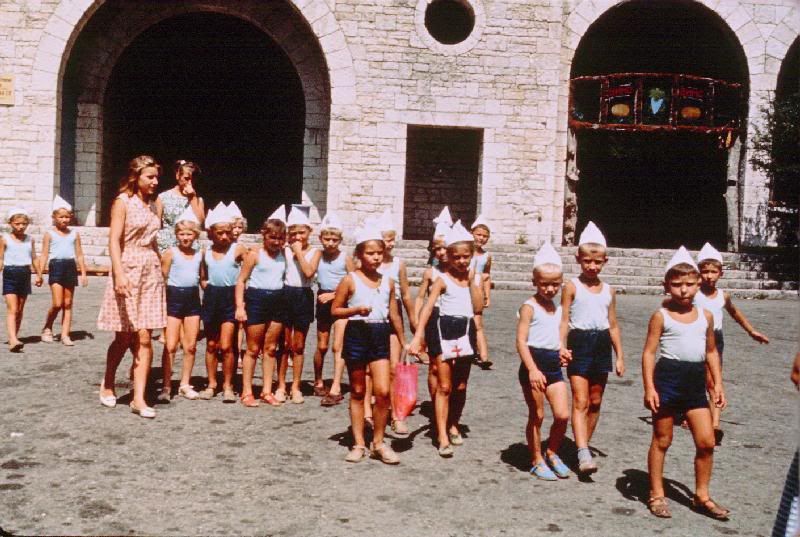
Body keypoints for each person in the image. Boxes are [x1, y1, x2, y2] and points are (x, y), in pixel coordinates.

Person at [642, 247, 728, 520]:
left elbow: (711, 352)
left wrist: (717, 384)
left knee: (706, 441)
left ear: (698, 284)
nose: (683, 290)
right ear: (667, 285)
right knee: (662, 439)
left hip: (694, 382)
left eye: (689, 284)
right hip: (668, 379)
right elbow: (649, 353)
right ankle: (656, 493)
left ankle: (701, 495)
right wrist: (649, 387)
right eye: (677, 284)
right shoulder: (661, 316)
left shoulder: (706, 316)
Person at [97, 155, 166, 418]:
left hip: (150, 272)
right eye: (150, 177)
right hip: (127, 268)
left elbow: (153, 239)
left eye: (157, 177)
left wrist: (161, 268)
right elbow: (114, 241)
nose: (155, 182)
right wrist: (119, 274)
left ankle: (138, 398)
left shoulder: (155, 205)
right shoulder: (122, 202)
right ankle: (108, 381)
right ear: (136, 177)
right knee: (124, 337)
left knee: (145, 337)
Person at [331, 221, 405, 464]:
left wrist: (404, 342)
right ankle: (359, 443)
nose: (375, 257)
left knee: (382, 391)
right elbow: (335, 310)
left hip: (379, 334)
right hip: (357, 333)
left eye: (379, 253)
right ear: (360, 254)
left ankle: (379, 442)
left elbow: (394, 315)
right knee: (358, 390)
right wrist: (355, 310)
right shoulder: (350, 279)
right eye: (370, 253)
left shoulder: (388, 281)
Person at [409, 220, 483, 458]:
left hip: (466, 329)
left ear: (472, 256)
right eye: (456, 257)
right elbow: (428, 308)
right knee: (444, 385)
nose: (461, 262)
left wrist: (472, 282)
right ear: (448, 257)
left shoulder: (473, 279)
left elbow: (478, 307)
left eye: (466, 257)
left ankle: (453, 423)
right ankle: (441, 434)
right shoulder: (442, 280)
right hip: (444, 330)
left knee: (460, 385)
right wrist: (418, 336)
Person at [559, 221, 624, 475]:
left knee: (595, 401)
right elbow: (564, 319)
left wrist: (619, 356)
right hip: (579, 343)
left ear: (605, 261)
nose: (592, 266)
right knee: (581, 400)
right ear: (579, 260)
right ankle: (584, 453)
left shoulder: (609, 290)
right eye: (587, 261)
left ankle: (581, 444)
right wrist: (561, 346)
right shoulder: (571, 286)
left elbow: (613, 324)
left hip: (601, 344)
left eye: (597, 262)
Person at [693, 242, 769, 444]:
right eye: (705, 272)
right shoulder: (693, 293)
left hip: (715, 340)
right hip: (694, 338)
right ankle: (692, 414)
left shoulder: (722, 296)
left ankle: (714, 424)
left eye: (713, 272)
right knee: (695, 378)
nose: (709, 276)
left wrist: (751, 331)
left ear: (721, 274)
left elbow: (735, 313)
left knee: (714, 380)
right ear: (699, 273)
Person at [516, 243, 571, 480]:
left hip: (553, 367)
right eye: (544, 284)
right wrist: (532, 370)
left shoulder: (556, 308)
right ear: (535, 282)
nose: (550, 289)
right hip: (534, 365)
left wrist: (562, 349)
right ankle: (536, 459)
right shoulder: (529, 307)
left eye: (555, 284)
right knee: (537, 415)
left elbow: (556, 335)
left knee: (562, 415)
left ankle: (552, 451)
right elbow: (521, 341)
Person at [235, 208, 287, 407]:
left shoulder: (284, 255)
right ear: (264, 235)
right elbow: (241, 281)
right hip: (257, 299)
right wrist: (240, 306)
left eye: (280, 238)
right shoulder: (254, 254)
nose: (276, 242)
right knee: (253, 349)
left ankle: (266, 390)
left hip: (278, 301)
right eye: (272, 237)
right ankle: (247, 391)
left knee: (271, 348)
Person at [375, 209, 417, 435]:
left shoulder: (398, 264)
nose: (389, 244)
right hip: (373, 316)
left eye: (392, 239)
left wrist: (413, 320)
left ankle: (396, 414)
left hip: (394, 316)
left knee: (394, 367)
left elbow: (407, 294)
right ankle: (372, 411)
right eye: (386, 239)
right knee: (372, 368)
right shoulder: (368, 262)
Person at [199, 203, 247, 403]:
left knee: (227, 345)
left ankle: (228, 385)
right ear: (212, 233)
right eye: (220, 233)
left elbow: (251, 266)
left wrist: (241, 295)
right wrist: (207, 287)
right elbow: (203, 276)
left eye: (228, 232)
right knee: (211, 344)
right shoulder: (206, 252)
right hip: (212, 297)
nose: (225, 237)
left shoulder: (237, 249)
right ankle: (211, 384)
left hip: (230, 297)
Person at [157, 206, 203, 402]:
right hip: (174, 299)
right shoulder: (171, 253)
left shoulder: (199, 254)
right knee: (170, 345)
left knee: (190, 346)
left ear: (195, 235)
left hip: (192, 300)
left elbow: (202, 278)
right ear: (176, 235)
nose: (185, 238)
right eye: (182, 234)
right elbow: (162, 278)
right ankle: (167, 385)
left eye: (189, 234)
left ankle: (185, 383)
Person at [277, 206, 322, 404]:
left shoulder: (315, 252)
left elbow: (309, 272)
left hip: (303, 295)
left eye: (301, 233)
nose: (297, 237)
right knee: (284, 344)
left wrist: (298, 252)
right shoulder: (284, 250)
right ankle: (281, 385)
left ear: (309, 232)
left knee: (298, 345)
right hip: (286, 294)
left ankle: (295, 386)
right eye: (293, 233)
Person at [313, 211, 354, 407]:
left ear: (340, 240)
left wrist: (335, 294)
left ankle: (336, 386)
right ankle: (318, 380)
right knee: (322, 345)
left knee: (338, 345)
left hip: (341, 301)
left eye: (334, 240)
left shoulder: (345, 258)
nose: (330, 243)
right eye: (327, 239)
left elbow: (354, 280)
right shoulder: (318, 255)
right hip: (322, 300)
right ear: (320, 238)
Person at [39, 196, 88, 346]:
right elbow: (44, 254)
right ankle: (47, 327)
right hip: (56, 266)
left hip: (70, 267)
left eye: (67, 217)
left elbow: (79, 254)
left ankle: (65, 334)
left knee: (68, 303)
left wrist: (83, 273)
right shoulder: (50, 234)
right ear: (54, 217)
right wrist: (40, 273)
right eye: (61, 217)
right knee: (57, 303)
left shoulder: (74, 234)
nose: (64, 220)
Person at [413, 208, 452, 400]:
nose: (441, 252)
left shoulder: (459, 273)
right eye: (437, 249)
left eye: (445, 248)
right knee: (435, 364)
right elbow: (421, 297)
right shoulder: (430, 273)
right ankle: (436, 401)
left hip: (452, 318)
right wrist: (416, 319)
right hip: (434, 318)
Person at [0, 207, 42, 352]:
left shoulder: (30, 240)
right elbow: (1, 258)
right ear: (11, 223)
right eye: (17, 224)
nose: (20, 226)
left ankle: (15, 337)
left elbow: (34, 258)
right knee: (12, 308)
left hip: (25, 273)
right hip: (10, 273)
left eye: (24, 224)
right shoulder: (5, 239)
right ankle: (12, 339)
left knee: (19, 309)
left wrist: (39, 274)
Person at [155, 160, 205, 252]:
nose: (190, 183)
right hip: (167, 245)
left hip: (190, 245)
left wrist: (192, 198)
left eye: (193, 179)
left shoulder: (198, 200)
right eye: (186, 178)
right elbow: (155, 225)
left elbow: (200, 223)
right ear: (178, 175)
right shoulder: (163, 197)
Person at [470, 213, 493, 369]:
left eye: (485, 236)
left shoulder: (486, 256)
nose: (481, 238)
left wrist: (487, 295)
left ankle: (483, 356)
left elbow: (486, 276)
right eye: (478, 234)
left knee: (478, 323)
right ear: (472, 234)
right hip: (465, 287)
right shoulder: (465, 252)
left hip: (477, 290)